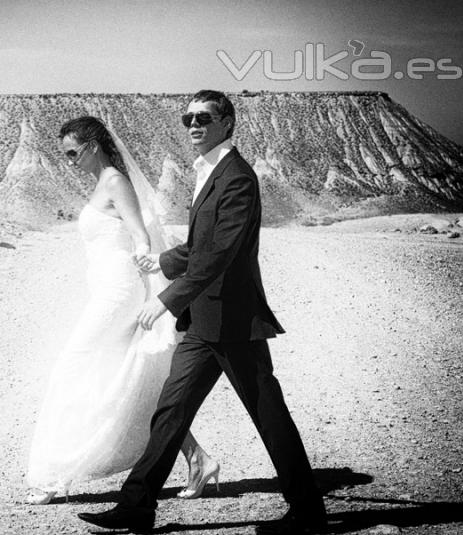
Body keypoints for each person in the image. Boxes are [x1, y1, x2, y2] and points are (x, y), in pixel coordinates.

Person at [78, 91, 327, 535]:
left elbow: (220, 255)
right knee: (170, 411)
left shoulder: (237, 177)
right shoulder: (210, 170)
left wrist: (166, 298)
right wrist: (164, 263)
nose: (193, 124)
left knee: (267, 413)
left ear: (227, 123)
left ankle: (307, 511)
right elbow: (199, 246)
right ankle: (136, 507)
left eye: (204, 118)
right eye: (187, 117)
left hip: (233, 322)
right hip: (203, 321)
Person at [25, 116, 219, 505]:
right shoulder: (102, 184)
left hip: (119, 293)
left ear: (93, 145)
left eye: (72, 153)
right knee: (133, 376)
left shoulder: (114, 181)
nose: (68, 161)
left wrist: (155, 291)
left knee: (71, 366)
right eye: (64, 155)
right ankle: (198, 458)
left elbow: (141, 237)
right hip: (105, 290)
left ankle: (55, 474)